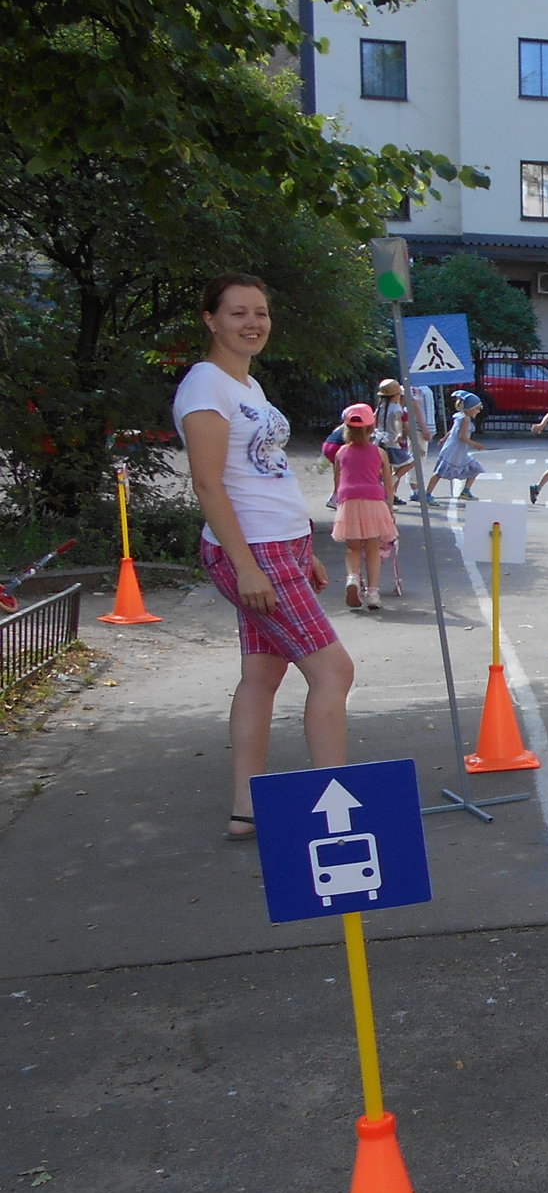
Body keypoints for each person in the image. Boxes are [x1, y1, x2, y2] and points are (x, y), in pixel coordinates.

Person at [173, 274, 353, 841]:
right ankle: (337, 807)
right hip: (253, 550)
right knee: (334, 670)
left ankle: (245, 809)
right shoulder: (206, 386)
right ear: (210, 319)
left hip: (280, 547)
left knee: (262, 675)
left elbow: (263, 475)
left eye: (261, 313)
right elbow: (207, 484)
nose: (253, 323)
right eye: (237, 313)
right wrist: (247, 566)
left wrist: (304, 551)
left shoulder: (246, 386)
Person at [329, 403, 397, 610]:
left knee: (353, 547)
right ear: (371, 428)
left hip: (349, 501)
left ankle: (352, 578)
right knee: (373, 547)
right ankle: (373, 592)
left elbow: (337, 482)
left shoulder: (341, 453)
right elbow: (388, 483)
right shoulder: (379, 453)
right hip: (374, 501)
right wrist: (390, 508)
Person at [424, 390, 486, 502]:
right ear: (469, 408)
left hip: (458, 451)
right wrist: (476, 445)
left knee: (476, 468)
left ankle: (466, 491)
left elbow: (452, 431)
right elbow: (462, 437)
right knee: (439, 472)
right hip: (454, 451)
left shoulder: (460, 417)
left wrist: (444, 439)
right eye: (477, 408)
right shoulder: (465, 419)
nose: (478, 411)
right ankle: (427, 494)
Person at [375, 378, 417, 505]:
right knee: (410, 462)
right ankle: (390, 481)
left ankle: (388, 494)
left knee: (386, 467)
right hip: (391, 442)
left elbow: (373, 419)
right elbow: (398, 420)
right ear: (397, 395)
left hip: (379, 440)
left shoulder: (381, 407)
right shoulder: (396, 407)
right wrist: (399, 432)